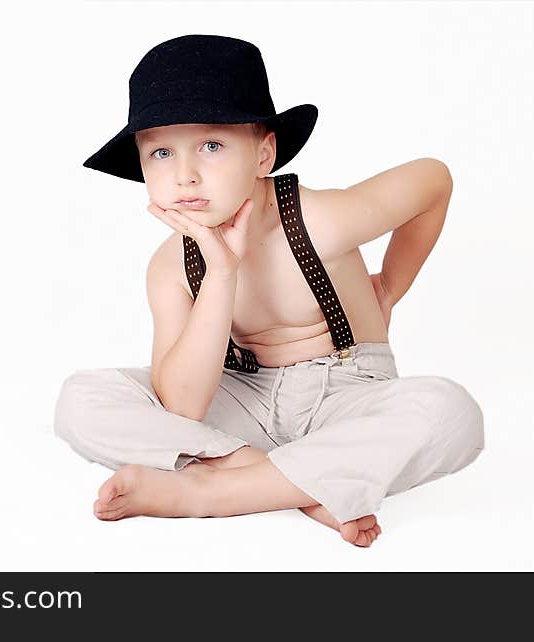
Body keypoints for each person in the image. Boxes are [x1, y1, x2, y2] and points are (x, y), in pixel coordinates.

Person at [54, 34, 484, 547]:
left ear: (263, 154)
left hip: (343, 396)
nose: (185, 175)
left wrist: (389, 288)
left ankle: (208, 493)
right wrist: (221, 274)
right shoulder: (171, 266)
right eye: (162, 152)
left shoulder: (319, 220)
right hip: (241, 406)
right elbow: (183, 407)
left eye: (211, 146)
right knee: (81, 400)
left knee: (448, 411)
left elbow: (433, 180)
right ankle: (290, 484)